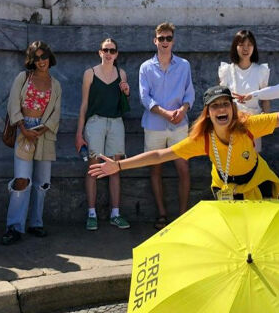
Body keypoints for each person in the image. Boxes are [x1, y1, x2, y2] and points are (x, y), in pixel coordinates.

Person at [89, 85, 279, 201]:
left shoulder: (248, 126)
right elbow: (160, 155)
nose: (221, 109)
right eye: (215, 105)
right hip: (227, 189)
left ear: (232, 108)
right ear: (208, 113)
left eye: (225, 104)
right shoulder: (202, 139)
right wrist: (120, 165)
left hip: (258, 183)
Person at [1, 41, 61, 245]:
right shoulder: (23, 77)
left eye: (44, 57)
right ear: (31, 60)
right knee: (21, 180)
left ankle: (36, 223)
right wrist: (24, 128)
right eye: (36, 58)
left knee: (42, 183)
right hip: (23, 130)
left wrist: (41, 129)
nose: (41, 61)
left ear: (49, 58)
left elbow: (56, 114)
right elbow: (12, 104)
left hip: (44, 134)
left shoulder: (56, 84)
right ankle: (14, 227)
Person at [139, 22, 195, 228]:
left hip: (179, 125)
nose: (164, 42)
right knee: (155, 169)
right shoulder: (145, 67)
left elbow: (190, 92)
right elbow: (144, 97)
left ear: (173, 40)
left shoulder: (184, 65)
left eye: (168, 38)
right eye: (161, 38)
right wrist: (164, 112)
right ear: (155, 40)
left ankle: (182, 215)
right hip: (154, 125)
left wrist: (183, 110)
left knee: (183, 168)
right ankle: (162, 214)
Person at [75, 37, 130, 231]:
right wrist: (79, 133)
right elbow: (84, 105)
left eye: (112, 51)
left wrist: (126, 90)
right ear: (99, 52)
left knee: (115, 167)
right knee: (93, 167)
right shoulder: (89, 73)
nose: (108, 54)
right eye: (105, 50)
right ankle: (91, 213)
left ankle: (115, 213)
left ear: (117, 54)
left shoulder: (121, 73)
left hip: (116, 122)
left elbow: (124, 102)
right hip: (95, 121)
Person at [218, 29, 270, 152]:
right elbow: (219, 99)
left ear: (254, 47)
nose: (245, 48)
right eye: (241, 45)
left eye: (249, 45)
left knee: (252, 161)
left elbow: (266, 99)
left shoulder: (261, 71)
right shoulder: (226, 71)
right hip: (231, 124)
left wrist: (267, 121)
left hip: (253, 124)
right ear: (235, 47)